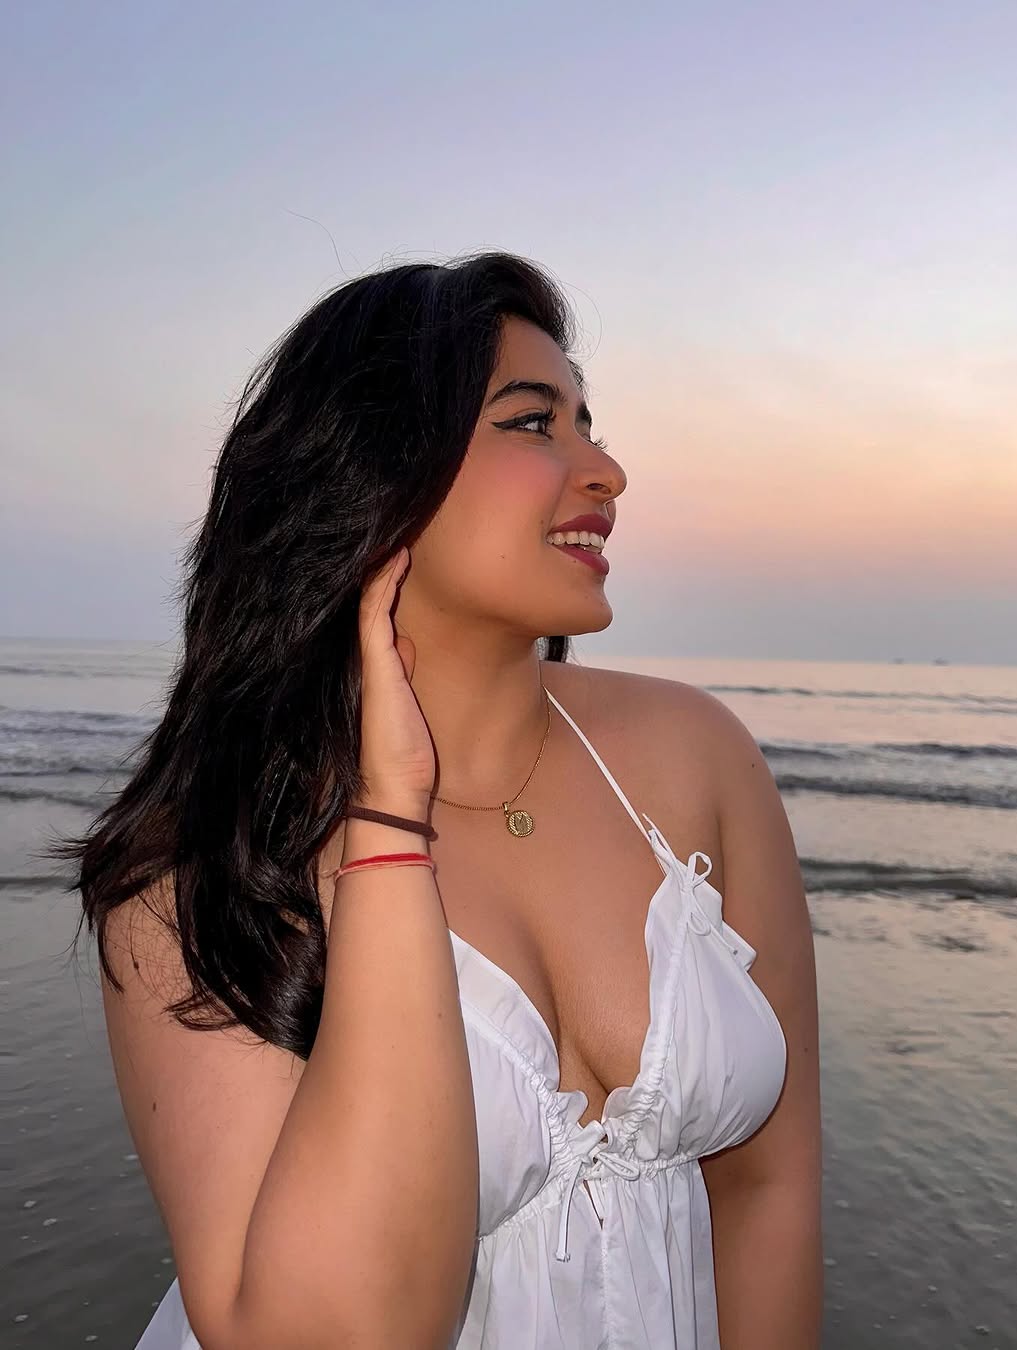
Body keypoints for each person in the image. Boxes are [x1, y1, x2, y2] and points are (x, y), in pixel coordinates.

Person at [63, 251, 823, 1348]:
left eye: (589, 423)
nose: (607, 470)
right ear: (374, 472)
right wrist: (385, 827)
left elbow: (769, 1188)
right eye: (534, 422)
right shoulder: (203, 864)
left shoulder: (697, 758)